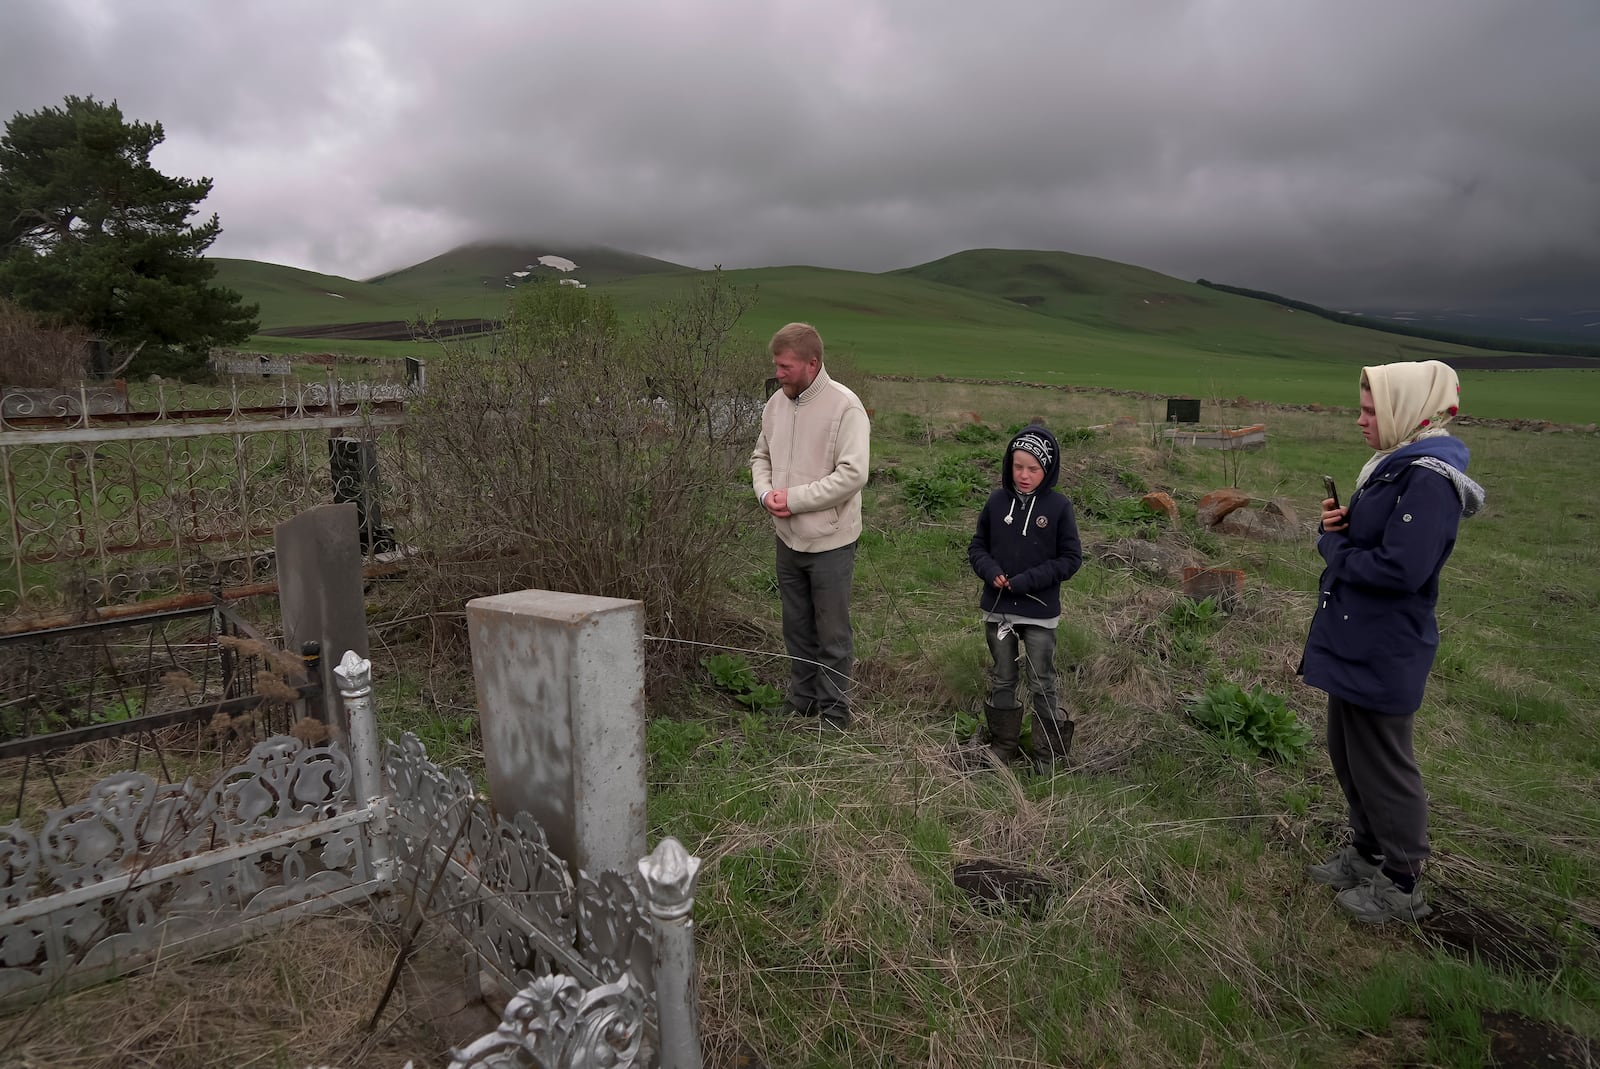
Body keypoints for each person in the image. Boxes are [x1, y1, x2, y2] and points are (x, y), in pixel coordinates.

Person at [1301, 360, 1485, 924]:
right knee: (1348, 753)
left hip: (1384, 644)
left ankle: (1403, 883)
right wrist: (1344, 527)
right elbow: (1381, 542)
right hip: (1357, 636)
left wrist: (1334, 551)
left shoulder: (1427, 478)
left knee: (1383, 762)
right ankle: (1366, 853)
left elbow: (1401, 570)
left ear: (1409, 410)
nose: (1360, 419)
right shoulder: (1392, 466)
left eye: (1372, 410)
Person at [751, 323, 870, 730]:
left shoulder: (845, 407)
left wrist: (795, 499)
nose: (779, 373)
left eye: (785, 366)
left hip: (831, 542)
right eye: (777, 365)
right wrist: (766, 494)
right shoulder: (775, 405)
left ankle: (835, 716)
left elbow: (853, 475)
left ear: (812, 364)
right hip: (787, 539)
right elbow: (760, 457)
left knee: (832, 633)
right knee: (796, 626)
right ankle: (802, 702)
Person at [967, 425, 1083, 772]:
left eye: (1033, 468)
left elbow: (1071, 559)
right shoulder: (996, 501)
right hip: (998, 610)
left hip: (1039, 612)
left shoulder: (1060, 507)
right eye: (1018, 467)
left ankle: (1047, 755)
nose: (1024, 475)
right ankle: (1004, 744)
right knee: (1003, 675)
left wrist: (1027, 581)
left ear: (1047, 469)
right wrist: (990, 571)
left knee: (1041, 679)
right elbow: (977, 546)